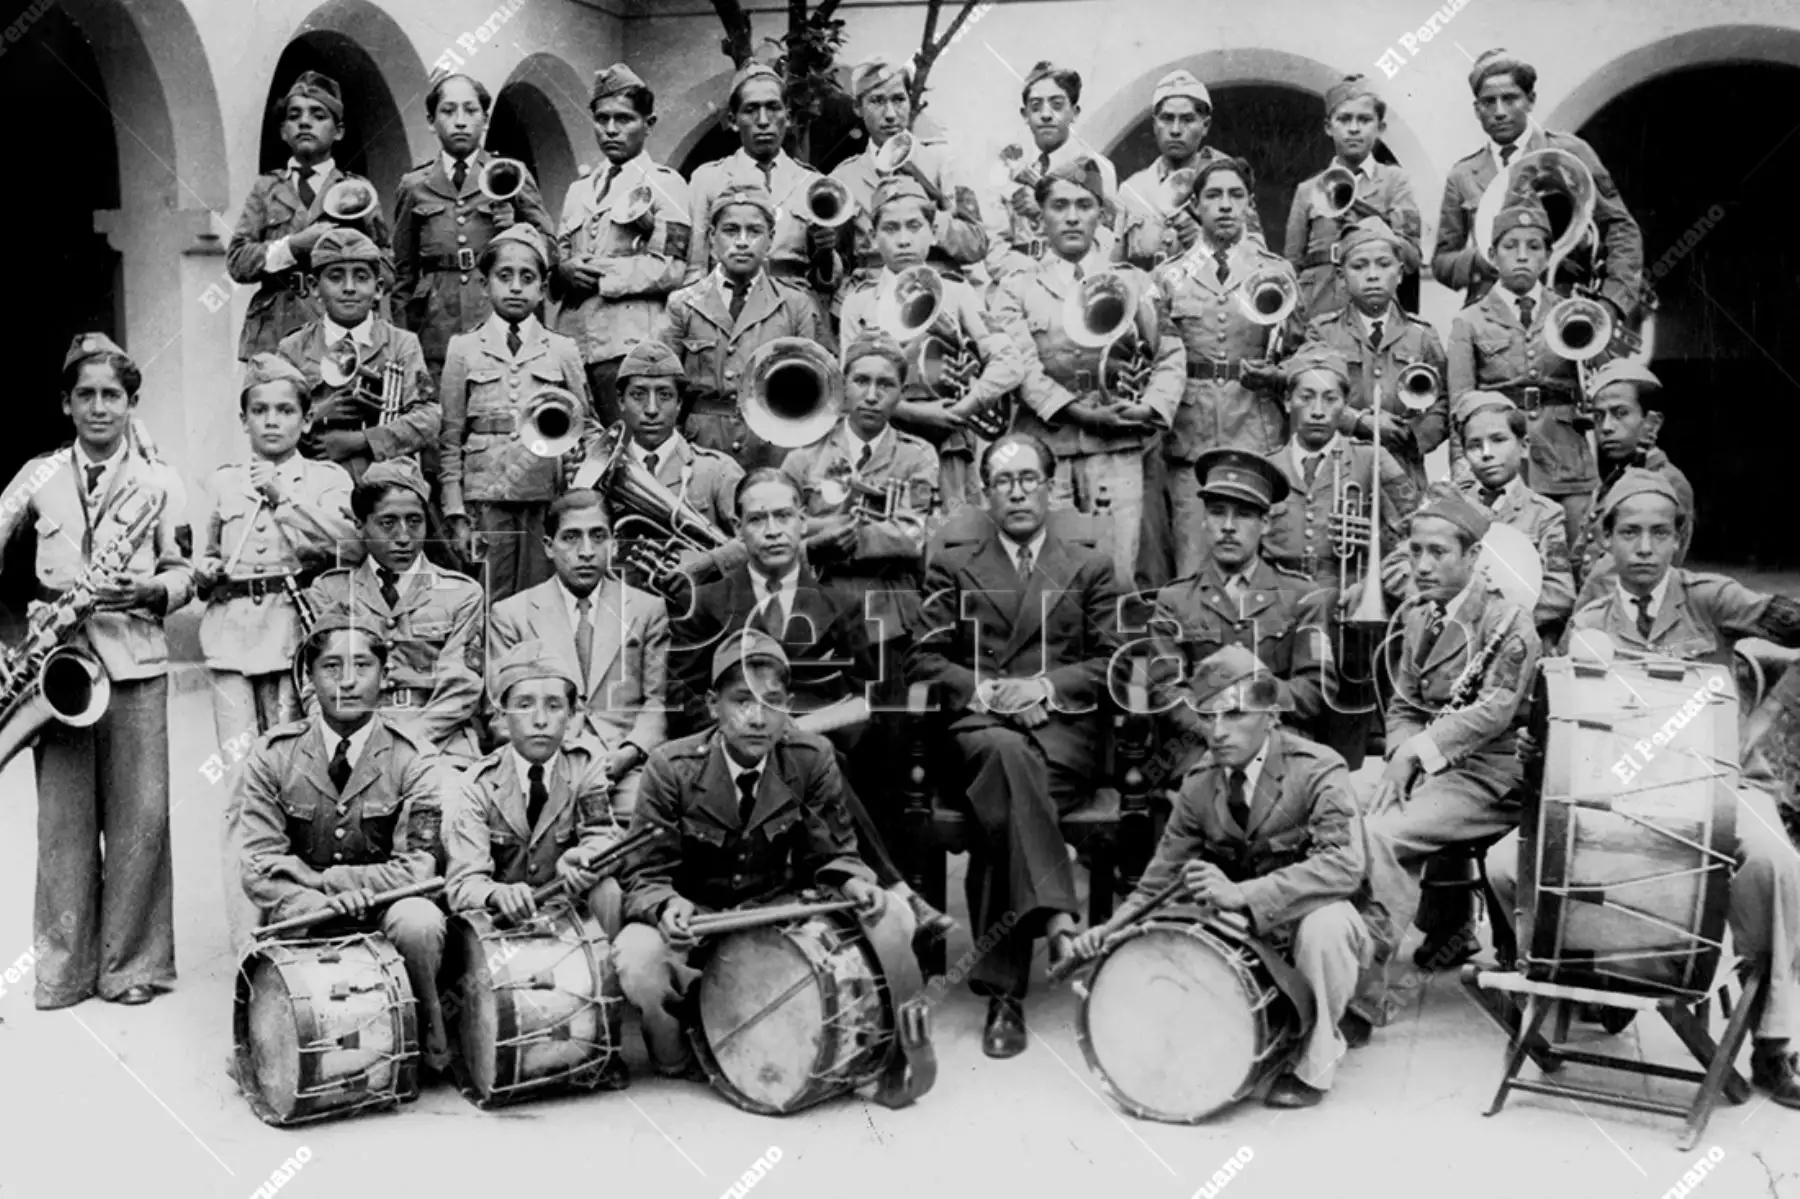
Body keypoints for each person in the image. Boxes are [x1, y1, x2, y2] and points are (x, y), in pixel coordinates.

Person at [1483, 470, 1800, 1107]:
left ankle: (1774, 1038)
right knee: (1502, 864)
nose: (1646, 548)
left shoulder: (1709, 598)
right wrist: (1539, 743)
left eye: (1661, 533)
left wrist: (1763, 723)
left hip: (1716, 787)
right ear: (1606, 539)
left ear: (1680, 539)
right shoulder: (1591, 619)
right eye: (1630, 533)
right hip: (1623, 794)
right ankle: (1597, 974)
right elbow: (1567, 710)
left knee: (1776, 861)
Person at [1071, 645, 1375, 1108]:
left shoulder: (1318, 769)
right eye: (1208, 717)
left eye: (1234, 715)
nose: (1217, 732)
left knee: (1327, 926)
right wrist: (1107, 931)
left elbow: (1344, 866)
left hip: (1316, 924)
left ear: (1271, 715)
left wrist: (1241, 895)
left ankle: (1317, 1060)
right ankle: (1292, 1019)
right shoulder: (1199, 784)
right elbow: (1156, 884)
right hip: (1251, 932)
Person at [907, 432, 1126, 1057]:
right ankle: (1056, 916)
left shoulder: (1089, 563)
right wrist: (988, 694)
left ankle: (1005, 993)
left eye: (1030, 479)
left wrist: (1043, 687)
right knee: (1004, 758)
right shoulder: (953, 562)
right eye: (1004, 482)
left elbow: (1112, 662)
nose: (1019, 491)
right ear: (985, 493)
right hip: (981, 731)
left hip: (1064, 738)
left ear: (1050, 488)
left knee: (1004, 794)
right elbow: (925, 660)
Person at [665, 468, 947, 936]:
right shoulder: (707, 603)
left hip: (827, 751)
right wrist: (748, 731)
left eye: (783, 516)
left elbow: (871, 698)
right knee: (811, 760)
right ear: (738, 530)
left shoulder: (845, 603)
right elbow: (683, 700)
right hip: (728, 756)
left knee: (813, 757)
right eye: (757, 519)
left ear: (803, 523)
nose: (772, 530)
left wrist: (798, 729)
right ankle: (895, 891)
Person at [0, 334, 192, 1009]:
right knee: (63, 824)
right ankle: (61, 971)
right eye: (86, 394)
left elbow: (186, 570)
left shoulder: (162, 481)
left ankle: (131, 966)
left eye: (113, 395)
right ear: (66, 403)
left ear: (132, 403)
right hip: (59, 670)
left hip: (135, 661)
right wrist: (14, 637)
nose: (100, 407)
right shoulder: (34, 476)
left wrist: (154, 594)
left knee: (142, 818)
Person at [614, 631, 903, 1079]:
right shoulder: (670, 768)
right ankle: (675, 1048)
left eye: (772, 701)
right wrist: (668, 906)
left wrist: (854, 881)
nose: (757, 717)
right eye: (741, 700)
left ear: (788, 704)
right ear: (713, 705)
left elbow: (834, 854)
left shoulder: (811, 758)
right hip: (695, 928)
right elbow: (643, 877)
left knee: (893, 914)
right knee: (637, 957)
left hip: (772, 921)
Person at [1350, 489, 1540, 1028]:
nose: (1424, 565)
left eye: (1439, 552)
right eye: (1415, 552)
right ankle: (1321, 955)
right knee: (1334, 801)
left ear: (1474, 556)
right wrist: (1400, 757)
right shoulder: (1417, 615)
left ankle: (1364, 993)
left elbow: (1494, 712)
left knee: (1385, 834)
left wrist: (1417, 754)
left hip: (1491, 774)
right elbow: (1405, 702)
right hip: (1428, 765)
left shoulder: (1509, 621)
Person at [235, 620, 449, 1075]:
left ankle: (426, 1035)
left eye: (363, 666)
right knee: (284, 924)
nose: (347, 680)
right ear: (309, 678)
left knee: (421, 921)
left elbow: (421, 868)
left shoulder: (414, 757)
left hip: (385, 904)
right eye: (331, 666)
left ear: (385, 676)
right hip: (307, 907)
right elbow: (258, 864)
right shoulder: (273, 755)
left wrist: (335, 881)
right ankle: (289, 1048)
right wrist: (319, 899)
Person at [195, 353, 356, 948]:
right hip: (232, 644)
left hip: (293, 643)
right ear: (243, 419)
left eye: (285, 410)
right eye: (259, 411)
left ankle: (295, 931)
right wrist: (206, 569)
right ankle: (247, 942)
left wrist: (284, 500)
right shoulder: (220, 480)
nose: (271, 422)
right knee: (242, 789)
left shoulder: (328, 481)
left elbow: (346, 546)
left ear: (306, 419)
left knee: (297, 786)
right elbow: (200, 560)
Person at [443, 643, 635, 1081]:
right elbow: (461, 884)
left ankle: (605, 1037)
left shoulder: (584, 768)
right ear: (502, 714)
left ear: (572, 715)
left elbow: (603, 834)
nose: (541, 719)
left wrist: (584, 856)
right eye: (524, 704)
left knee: (608, 891)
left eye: (554, 705)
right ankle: (473, 1038)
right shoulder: (477, 786)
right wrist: (497, 892)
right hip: (500, 928)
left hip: (566, 914)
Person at [990, 156, 1184, 582]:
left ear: (1101, 214)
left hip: (1117, 449)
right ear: (1040, 217)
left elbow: (1169, 353)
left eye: (1084, 205)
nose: (1072, 217)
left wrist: (1149, 408)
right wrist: (1075, 411)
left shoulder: (1134, 281)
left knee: (1117, 575)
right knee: (1048, 578)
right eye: (1059, 206)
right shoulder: (1016, 288)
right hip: (1047, 449)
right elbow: (1021, 364)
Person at [1150, 157, 1300, 581]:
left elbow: (1301, 350)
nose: (1225, 205)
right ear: (1196, 206)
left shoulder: (1275, 270)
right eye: (1213, 196)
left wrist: (1278, 374)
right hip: (1190, 439)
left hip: (1255, 431)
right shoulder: (1170, 276)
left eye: (1236, 195)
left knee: (1257, 564)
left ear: (1250, 204)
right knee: (1192, 562)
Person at [838, 176, 1022, 517]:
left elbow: (1010, 362)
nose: (904, 239)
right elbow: (845, 387)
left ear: (932, 232)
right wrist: (914, 412)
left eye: (914, 226)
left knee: (952, 535)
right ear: (874, 238)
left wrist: (968, 405)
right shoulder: (859, 301)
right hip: (885, 443)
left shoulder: (956, 291)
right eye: (890, 229)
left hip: (949, 444)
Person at [1146, 449, 1332, 782]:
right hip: (1202, 747)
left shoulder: (1303, 598)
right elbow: (1165, 691)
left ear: (1265, 523)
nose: (1228, 527)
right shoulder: (1174, 600)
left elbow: (1314, 691)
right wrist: (1221, 728)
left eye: (1244, 515)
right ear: (1204, 520)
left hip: (1281, 743)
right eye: (1218, 513)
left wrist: (1253, 717)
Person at [488, 489, 669, 820]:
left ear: (613, 544)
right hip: (544, 762)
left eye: (598, 537)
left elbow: (657, 703)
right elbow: (501, 712)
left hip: (624, 765)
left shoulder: (647, 610)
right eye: (571, 538)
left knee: (638, 826)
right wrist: (564, 756)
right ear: (547, 546)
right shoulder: (512, 614)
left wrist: (627, 754)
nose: (586, 551)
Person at [438, 222, 592, 603]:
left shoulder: (562, 350)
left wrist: (579, 483)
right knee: (492, 596)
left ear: (543, 288)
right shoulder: (463, 349)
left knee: (543, 596)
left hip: (545, 494)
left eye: (528, 277)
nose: (516, 286)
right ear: (485, 285)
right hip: (485, 497)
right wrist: (455, 508)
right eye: (504, 276)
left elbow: (584, 425)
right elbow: (449, 437)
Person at [1430, 47, 1644, 322]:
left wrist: (1612, 303)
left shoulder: (1569, 153)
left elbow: (1620, 228)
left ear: (1530, 100)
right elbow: (1442, 262)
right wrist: (1483, 259)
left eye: (1510, 99)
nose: (1499, 112)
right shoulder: (1462, 175)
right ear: (1476, 109)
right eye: (1488, 102)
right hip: (1490, 320)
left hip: (1564, 311)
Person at [307, 459, 486, 768]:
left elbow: (461, 688)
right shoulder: (330, 592)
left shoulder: (461, 594)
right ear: (361, 526)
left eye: (414, 521)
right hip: (352, 740)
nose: (404, 537)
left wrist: (405, 743)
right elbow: (316, 686)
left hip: (437, 745)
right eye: (388, 523)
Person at [390, 72, 556, 381]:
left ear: (486, 119)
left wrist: (519, 230)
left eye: (471, 110)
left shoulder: (510, 174)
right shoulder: (414, 187)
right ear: (431, 121)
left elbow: (552, 250)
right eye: (449, 111)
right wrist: (404, 342)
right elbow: (403, 274)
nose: (461, 121)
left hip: (499, 320)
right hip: (436, 329)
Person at [657, 183, 831, 472]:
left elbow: (819, 392)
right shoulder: (683, 304)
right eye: (730, 230)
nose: (741, 241)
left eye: (754, 232)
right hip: (701, 449)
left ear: (770, 239)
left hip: (774, 449)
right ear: (712, 238)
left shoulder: (795, 304)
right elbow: (664, 385)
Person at [554, 64, 691, 429]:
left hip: (629, 345)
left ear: (649, 123)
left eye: (624, 119)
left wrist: (599, 275)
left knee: (631, 444)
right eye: (602, 119)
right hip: (574, 344)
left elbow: (671, 267)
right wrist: (564, 271)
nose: (611, 130)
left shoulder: (666, 185)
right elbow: (563, 256)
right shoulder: (578, 191)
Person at [227, 70, 391, 360]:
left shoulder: (356, 190)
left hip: (340, 327)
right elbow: (238, 263)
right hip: (274, 330)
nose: (304, 122)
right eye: (294, 116)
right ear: (282, 131)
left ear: (338, 131)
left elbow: (387, 267)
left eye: (318, 115)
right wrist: (292, 246)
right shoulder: (266, 188)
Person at [568, 337, 743, 584]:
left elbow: (757, 540)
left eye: (664, 395)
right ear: (620, 401)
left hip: (695, 612)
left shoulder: (717, 470)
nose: (651, 408)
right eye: (638, 395)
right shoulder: (597, 471)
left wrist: (709, 562)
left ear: (680, 403)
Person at [276, 227, 439, 482]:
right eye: (336, 277)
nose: (349, 288)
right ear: (314, 287)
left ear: (378, 289)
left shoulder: (401, 344)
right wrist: (317, 413)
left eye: (361, 277)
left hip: (386, 487)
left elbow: (428, 420)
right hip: (314, 486)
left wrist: (363, 441)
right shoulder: (293, 349)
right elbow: (273, 421)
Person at [685, 64, 840, 323]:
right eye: (751, 110)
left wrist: (824, 251)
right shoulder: (709, 179)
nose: (764, 120)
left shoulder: (811, 183)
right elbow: (696, 267)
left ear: (788, 116)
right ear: (733, 121)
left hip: (794, 311)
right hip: (731, 309)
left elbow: (826, 281)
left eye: (773, 108)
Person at [1303, 217, 1447, 490]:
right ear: (1341, 277)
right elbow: (1309, 395)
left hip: (1404, 473)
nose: (1372, 275)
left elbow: (1443, 402)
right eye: (1359, 266)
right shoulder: (1322, 333)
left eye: (1383, 264)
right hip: (1338, 470)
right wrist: (1357, 422)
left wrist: (1411, 435)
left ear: (1401, 273)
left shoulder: (1422, 336)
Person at [830, 55, 986, 298]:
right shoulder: (844, 178)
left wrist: (930, 211)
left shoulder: (944, 164)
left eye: (899, 100)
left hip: (936, 293)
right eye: (877, 101)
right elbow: (835, 259)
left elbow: (976, 244)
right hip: (872, 297)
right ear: (857, 108)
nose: (891, 114)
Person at [1284, 75, 1420, 323]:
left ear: (1380, 128)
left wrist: (1371, 223)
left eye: (1365, 119)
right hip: (1318, 305)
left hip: (1374, 304)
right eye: (1344, 119)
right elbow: (1292, 264)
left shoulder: (1395, 182)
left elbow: (1411, 259)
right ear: (1328, 127)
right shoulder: (1308, 190)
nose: (1354, 128)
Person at [982, 61, 1120, 287]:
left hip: (1077, 283)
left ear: (1074, 113)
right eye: (1036, 107)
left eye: (1057, 105)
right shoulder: (1007, 166)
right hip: (1016, 282)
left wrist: (1047, 210)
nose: (1046, 115)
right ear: (1024, 114)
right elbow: (994, 247)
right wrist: (1032, 281)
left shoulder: (1096, 168)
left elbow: (1105, 241)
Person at [1452, 390, 1574, 633]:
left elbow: (1560, 593)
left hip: (1518, 639)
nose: (1486, 453)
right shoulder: (1452, 507)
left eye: (1498, 440)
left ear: (1525, 446)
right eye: (1474, 444)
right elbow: (1399, 567)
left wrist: (1496, 621)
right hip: (1455, 636)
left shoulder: (1545, 514)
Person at [1115, 69, 1260, 273]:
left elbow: (1256, 259)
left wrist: (1203, 242)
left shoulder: (1229, 182)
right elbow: (1116, 265)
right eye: (1166, 118)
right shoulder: (1133, 189)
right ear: (1154, 124)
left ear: (1205, 125)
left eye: (1187, 119)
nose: (1175, 130)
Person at [1568, 359, 1693, 590]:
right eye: (1598, 416)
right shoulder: (1614, 479)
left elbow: (1652, 576)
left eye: (1620, 413)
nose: (1605, 427)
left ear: (1652, 423)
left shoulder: (1667, 482)